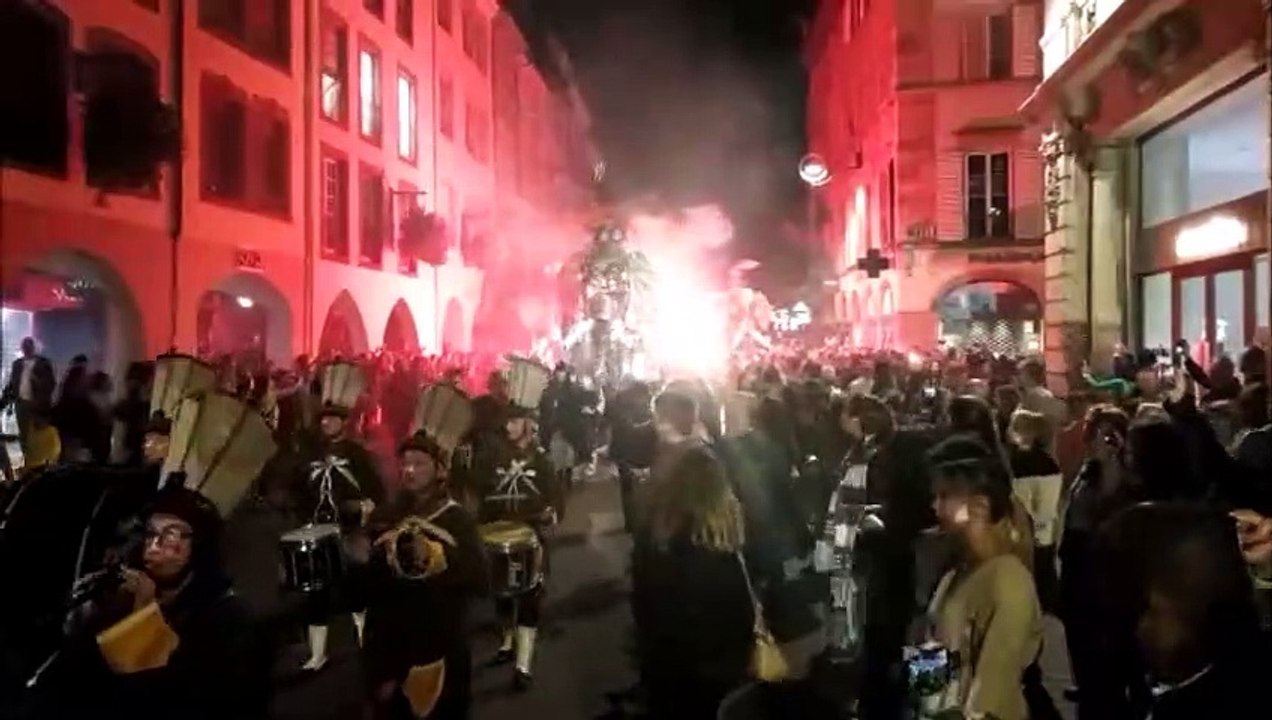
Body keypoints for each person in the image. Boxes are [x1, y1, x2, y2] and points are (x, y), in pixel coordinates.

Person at [34, 485, 270, 720]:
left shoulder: (226, 618)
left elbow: (160, 698)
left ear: (199, 546)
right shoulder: (120, 600)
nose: (154, 546)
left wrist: (144, 613)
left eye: (171, 536)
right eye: (150, 534)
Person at [361, 431, 487, 720]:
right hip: (390, 644)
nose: (409, 471)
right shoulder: (386, 516)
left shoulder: (457, 520)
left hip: (440, 643)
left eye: (419, 464)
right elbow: (372, 583)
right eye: (405, 464)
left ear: (440, 470)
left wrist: (437, 558)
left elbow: (480, 577)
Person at [923, 436, 1043, 720]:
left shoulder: (1008, 580)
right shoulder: (957, 571)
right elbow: (932, 658)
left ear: (978, 507)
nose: (934, 508)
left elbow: (991, 697)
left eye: (944, 497)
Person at [631, 447, 754, 720]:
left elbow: (643, 602)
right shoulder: (722, 542)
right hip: (720, 666)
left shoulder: (657, 534)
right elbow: (739, 613)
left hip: (667, 661)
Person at [293, 387, 386, 671]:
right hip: (318, 530)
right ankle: (317, 654)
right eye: (323, 420)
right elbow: (299, 490)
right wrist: (301, 517)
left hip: (349, 532)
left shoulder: (357, 454)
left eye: (332, 420)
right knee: (316, 591)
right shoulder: (311, 454)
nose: (326, 424)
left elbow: (376, 492)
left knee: (356, 588)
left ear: (343, 423)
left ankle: (364, 641)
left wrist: (363, 507)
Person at [469, 398, 558, 690]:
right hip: (497, 535)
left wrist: (550, 512)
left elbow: (555, 497)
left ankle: (524, 664)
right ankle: (507, 643)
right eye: (506, 422)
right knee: (502, 595)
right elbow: (477, 487)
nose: (509, 427)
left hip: (530, 536)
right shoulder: (492, 457)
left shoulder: (542, 460)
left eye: (515, 421)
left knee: (530, 596)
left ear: (529, 424)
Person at [1, 337, 55, 457]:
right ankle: (27, 459)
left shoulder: (44, 363)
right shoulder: (17, 364)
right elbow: (12, 384)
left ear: (34, 348)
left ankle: (39, 461)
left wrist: (38, 381)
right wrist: (5, 402)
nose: (26, 349)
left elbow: (50, 384)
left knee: (38, 434)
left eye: (29, 347)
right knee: (24, 434)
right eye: (24, 347)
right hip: (21, 404)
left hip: (38, 405)